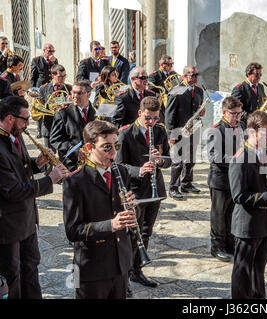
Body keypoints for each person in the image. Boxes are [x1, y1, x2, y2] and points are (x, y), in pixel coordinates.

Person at [0, 96, 67, 299]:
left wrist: (37, 163)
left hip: (27, 219)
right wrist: (50, 180)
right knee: (13, 274)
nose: (28, 124)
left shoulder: (15, 133)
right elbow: (12, 190)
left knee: (31, 267)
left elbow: (18, 166)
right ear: (10, 118)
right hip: (9, 225)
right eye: (25, 119)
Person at [63, 120, 136, 299]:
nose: (113, 152)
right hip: (91, 268)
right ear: (89, 147)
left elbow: (128, 218)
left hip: (121, 262)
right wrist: (111, 224)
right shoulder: (75, 181)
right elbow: (73, 231)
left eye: (116, 145)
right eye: (106, 147)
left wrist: (133, 209)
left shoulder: (122, 172)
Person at [229, 111, 267, 299]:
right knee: (243, 272)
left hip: (265, 222)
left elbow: (264, 177)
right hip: (248, 224)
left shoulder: (265, 152)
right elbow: (239, 196)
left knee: (258, 270)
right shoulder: (240, 159)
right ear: (252, 132)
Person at [116, 96, 171, 292]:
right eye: (148, 118)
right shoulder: (125, 134)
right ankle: (125, 274)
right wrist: (139, 170)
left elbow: (168, 159)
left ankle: (137, 270)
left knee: (146, 231)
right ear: (140, 113)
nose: (152, 122)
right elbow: (120, 165)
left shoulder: (160, 130)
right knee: (132, 234)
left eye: (155, 118)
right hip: (135, 191)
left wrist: (160, 161)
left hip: (155, 189)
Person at [207, 96, 246, 262]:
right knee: (219, 215)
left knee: (232, 213)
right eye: (234, 114)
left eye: (239, 113)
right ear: (224, 112)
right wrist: (235, 159)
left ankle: (231, 244)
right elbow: (214, 156)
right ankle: (217, 247)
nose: (237, 117)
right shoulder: (216, 129)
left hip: (236, 179)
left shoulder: (242, 126)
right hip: (220, 180)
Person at [165, 65, 204, 200]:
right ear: (184, 76)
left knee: (191, 159)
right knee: (178, 161)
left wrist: (201, 112)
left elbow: (197, 107)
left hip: (194, 129)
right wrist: (171, 134)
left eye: (196, 74)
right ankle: (173, 187)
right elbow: (169, 114)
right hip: (179, 130)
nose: (195, 77)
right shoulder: (176, 91)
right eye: (192, 75)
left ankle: (186, 183)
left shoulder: (199, 91)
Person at [50, 80, 97, 172]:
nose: (75, 96)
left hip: (95, 162)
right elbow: (55, 139)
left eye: (79, 93)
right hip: (72, 164)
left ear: (89, 94)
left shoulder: (97, 112)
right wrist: (75, 151)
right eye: (73, 92)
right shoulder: (63, 113)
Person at [38, 64, 72, 150]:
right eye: (60, 76)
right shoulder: (44, 88)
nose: (63, 78)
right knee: (49, 156)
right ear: (53, 76)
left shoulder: (69, 88)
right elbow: (39, 106)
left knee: (64, 156)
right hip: (49, 125)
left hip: (64, 127)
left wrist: (71, 102)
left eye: (64, 76)